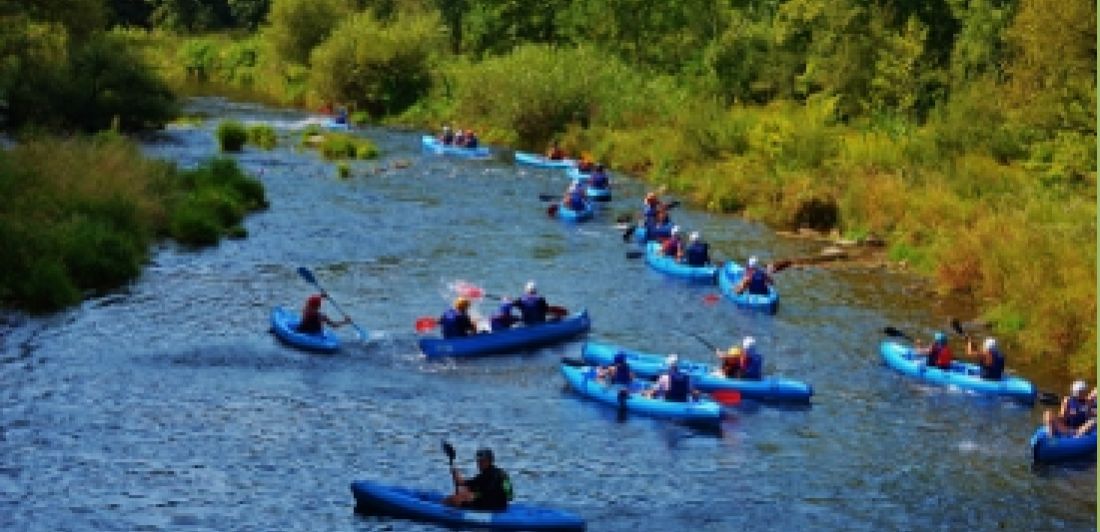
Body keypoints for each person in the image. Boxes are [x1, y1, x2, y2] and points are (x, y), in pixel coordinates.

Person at [443, 448, 513, 511]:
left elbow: (488, 494)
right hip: (503, 506)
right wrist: (454, 471)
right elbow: (510, 496)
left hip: (491, 506)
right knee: (466, 491)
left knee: (453, 500)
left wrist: (470, 496)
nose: (479, 464)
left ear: (489, 461)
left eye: (482, 461)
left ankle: (442, 511)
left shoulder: (487, 476)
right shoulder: (501, 473)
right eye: (478, 461)